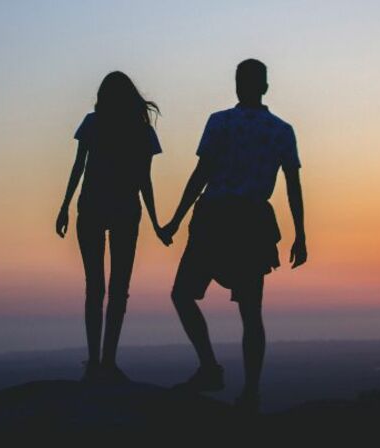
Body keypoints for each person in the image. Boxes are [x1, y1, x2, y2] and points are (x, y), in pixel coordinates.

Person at [161, 59, 307, 412]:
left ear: (238, 85)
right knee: (251, 312)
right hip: (252, 222)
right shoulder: (281, 130)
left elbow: (201, 174)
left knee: (183, 294)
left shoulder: (220, 122)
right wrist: (301, 235)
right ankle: (251, 393)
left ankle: (210, 368)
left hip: (215, 217)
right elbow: (293, 187)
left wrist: (176, 220)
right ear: (266, 88)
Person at [56, 71, 170, 383]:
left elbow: (79, 166)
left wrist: (65, 206)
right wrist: (157, 223)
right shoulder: (142, 132)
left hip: (92, 207)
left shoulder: (93, 123)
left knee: (95, 287)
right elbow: (144, 181)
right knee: (118, 290)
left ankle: (96, 362)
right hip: (124, 211)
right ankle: (106, 361)